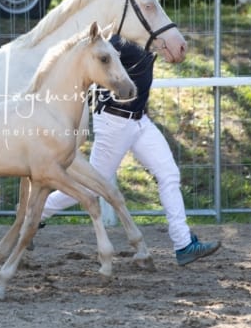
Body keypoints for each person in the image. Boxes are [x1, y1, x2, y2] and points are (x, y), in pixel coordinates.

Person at [39, 34, 221, 266]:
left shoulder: (145, 34)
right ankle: (35, 216)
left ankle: (183, 244)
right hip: (115, 121)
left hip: (140, 121)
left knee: (169, 174)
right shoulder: (116, 41)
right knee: (92, 185)